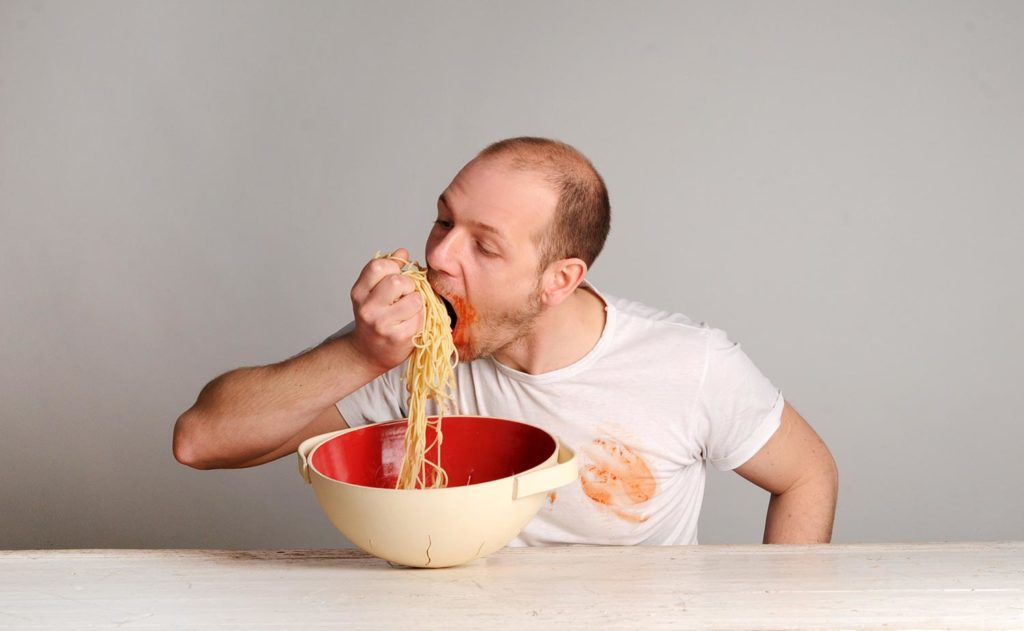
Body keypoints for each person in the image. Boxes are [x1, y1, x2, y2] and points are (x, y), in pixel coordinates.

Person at [173, 137, 838, 545]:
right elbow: (202, 440)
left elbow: (808, 473)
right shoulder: (399, 353)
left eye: (484, 245)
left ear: (559, 279)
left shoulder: (689, 365)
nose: (440, 256)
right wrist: (358, 356)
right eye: (442, 220)